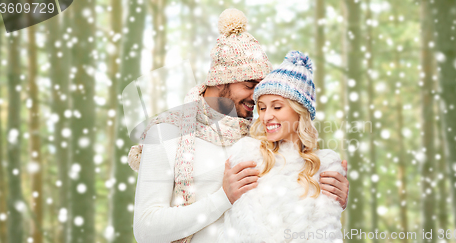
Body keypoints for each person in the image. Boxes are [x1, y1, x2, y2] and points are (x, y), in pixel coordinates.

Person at [131, 9, 349, 243]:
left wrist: (331, 197)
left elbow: (291, 208)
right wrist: (223, 198)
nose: (257, 97)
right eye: (249, 85)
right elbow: (146, 230)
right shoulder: (166, 132)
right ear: (220, 80)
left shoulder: (262, 138)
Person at [218, 51, 344, 243]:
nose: (266, 116)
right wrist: (223, 196)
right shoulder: (246, 155)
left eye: (277, 107)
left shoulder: (325, 166)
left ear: (300, 111)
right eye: (262, 107)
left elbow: (327, 233)